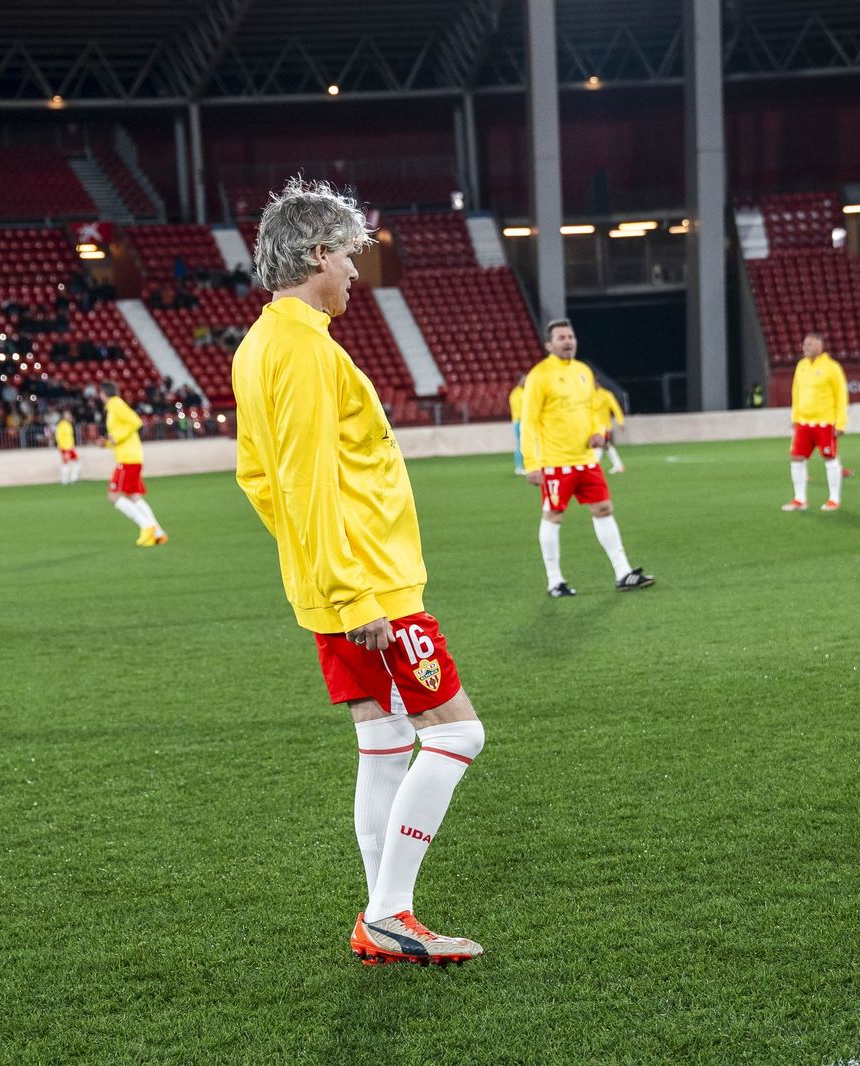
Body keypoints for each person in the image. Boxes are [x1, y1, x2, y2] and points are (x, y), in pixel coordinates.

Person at [232, 177, 486, 967]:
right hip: (367, 587)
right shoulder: (305, 350)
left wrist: (318, 577)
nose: (354, 271)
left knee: (383, 744)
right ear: (316, 253)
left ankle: (381, 917)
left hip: (330, 585)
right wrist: (353, 590)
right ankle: (389, 913)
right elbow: (307, 479)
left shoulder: (257, 347)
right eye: (347, 254)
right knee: (458, 735)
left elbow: (259, 480)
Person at [521, 319, 656, 597]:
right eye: (561, 338)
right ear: (549, 345)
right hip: (556, 462)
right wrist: (531, 463)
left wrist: (598, 432)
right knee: (553, 515)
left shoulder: (583, 371)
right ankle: (555, 580)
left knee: (604, 508)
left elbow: (593, 411)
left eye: (571, 336)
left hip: (587, 459)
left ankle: (623, 573)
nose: (568, 341)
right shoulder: (539, 375)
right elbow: (529, 422)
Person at [784, 331, 848, 512]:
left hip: (825, 423)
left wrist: (841, 423)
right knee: (796, 458)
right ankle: (799, 499)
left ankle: (834, 499)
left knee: (830, 458)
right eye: (804, 344)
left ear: (820, 346)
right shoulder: (801, 366)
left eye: (809, 344)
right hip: (803, 423)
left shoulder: (832, 367)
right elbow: (795, 393)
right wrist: (795, 418)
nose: (805, 347)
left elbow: (841, 396)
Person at [101, 381, 167, 546]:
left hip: (127, 458)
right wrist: (108, 443)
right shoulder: (114, 406)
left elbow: (135, 421)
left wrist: (116, 438)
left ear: (103, 394)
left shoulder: (115, 404)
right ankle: (158, 533)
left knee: (113, 496)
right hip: (131, 456)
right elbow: (122, 432)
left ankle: (147, 526)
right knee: (134, 496)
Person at [592, 384, 626, 473]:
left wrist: (620, 421)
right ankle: (618, 465)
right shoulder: (588, 394)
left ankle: (594, 467)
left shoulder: (606, 395)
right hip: (592, 426)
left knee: (598, 446)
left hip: (603, 426)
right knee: (606, 446)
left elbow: (615, 408)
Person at [508, 374, 526, 476]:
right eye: (524, 380)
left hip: (526, 421)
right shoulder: (515, 394)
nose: (526, 381)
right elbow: (517, 409)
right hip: (519, 422)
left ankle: (526, 466)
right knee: (520, 445)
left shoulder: (526, 392)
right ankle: (519, 467)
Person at [56, 410, 81, 485]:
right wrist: (62, 447)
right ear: (64, 417)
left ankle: (74, 478)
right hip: (65, 448)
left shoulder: (69, 425)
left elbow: (70, 437)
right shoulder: (61, 425)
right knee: (65, 462)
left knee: (77, 461)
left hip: (70, 447)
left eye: (70, 415)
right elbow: (58, 437)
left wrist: (72, 445)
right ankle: (64, 480)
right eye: (68, 415)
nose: (70, 417)